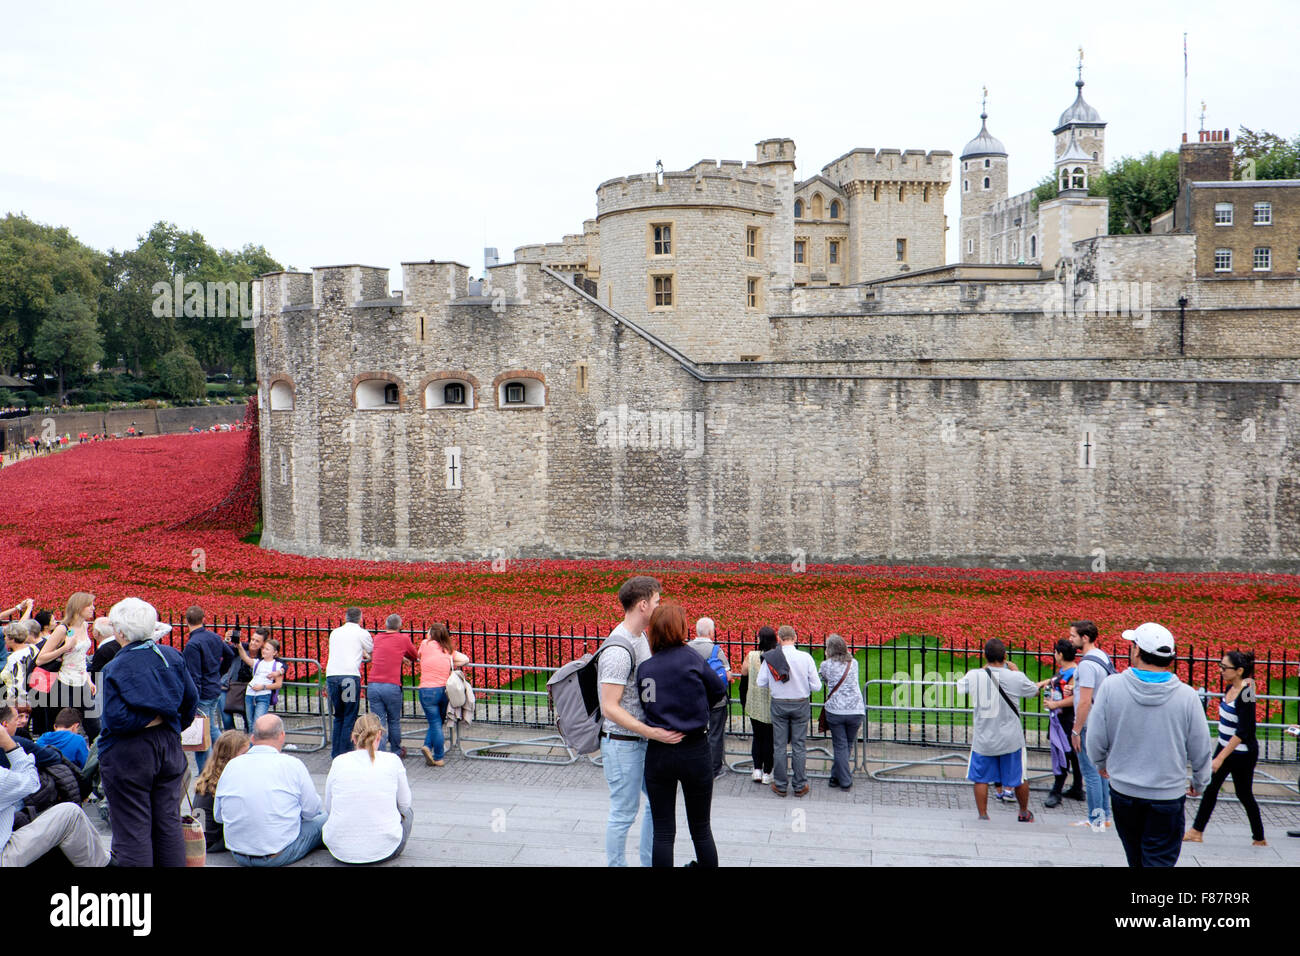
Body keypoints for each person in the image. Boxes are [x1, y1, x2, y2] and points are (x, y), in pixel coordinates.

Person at [1086, 622, 1213, 868]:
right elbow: (1200, 748)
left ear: (1136, 651)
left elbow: (1095, 737)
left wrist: (1101, 763)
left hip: (1124, 791)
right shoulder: (1187, 696)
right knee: (1159, 860)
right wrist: (1200, 782)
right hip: (1167, 795)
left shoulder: (1112, 687)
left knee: (1135, 857)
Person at [97, 597, 198, 867]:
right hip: (168, 745)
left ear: (119, 631)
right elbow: (190, 702)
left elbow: (116, 719)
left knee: (133, 828)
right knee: (168, 823)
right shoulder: (172, 656)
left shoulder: (115, 667)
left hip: (128, 753)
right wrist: (165, 720)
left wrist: (150, 719)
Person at [599, 576, 683, 867]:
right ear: (644, 605)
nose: (660, 607)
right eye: (658, 602)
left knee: (656, 806)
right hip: (622, 745)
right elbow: (609, 707)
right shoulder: (618, 650)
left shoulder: (641, 638)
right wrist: (652, 732)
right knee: (623, 813)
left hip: (642, 741)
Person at [637, 601, 726, 867]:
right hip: (694, 748)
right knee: (701, 828)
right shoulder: (692, 659)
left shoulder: (647, 668)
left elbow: (646, 704)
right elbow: (718, 690)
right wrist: (698, 709)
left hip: (660, 750)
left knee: (663, 831)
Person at [215, 714, 328, 867]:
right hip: (278, 853)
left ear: (253, 738)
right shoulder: (292, 764)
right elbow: (311, 811)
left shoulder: (231, 765)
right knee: (324, 818)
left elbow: (219, 816)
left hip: (239, 852)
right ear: (282, 736)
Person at [0, 717, 109, 867]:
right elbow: (32, 781)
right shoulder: (76, 740)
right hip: (4, 855)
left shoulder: (43, 738)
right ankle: (104, 864)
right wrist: (9, 744)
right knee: (70, 813)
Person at [1184, 649, 1266, 846]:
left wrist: (1220, 758)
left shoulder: (1247, 691)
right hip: (1225, 747)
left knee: (1243, 793)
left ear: (1238, 670)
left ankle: (1259, 837)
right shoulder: (1231, 687)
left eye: (1224, 667)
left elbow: (1244, 731)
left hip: (1241, 754)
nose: (1220, 670)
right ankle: (1196, 831)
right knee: (1211, 789)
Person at [955, 638, 1041, 822]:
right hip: (1011, 738)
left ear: (985, 656)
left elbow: (960, 688)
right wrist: (1017, 671)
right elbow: (1034, 691)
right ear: (1005, 656)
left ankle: (983, 815)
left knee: (981, 778)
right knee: (1019, 777)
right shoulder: (1015, 677)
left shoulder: (974, 675)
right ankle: (1023, 812)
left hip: (984, 738)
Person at [323, 713, 414, 864]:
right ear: (379, 736)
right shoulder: (392, 760)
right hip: (385, 849)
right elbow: (405, 804)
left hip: (339, 851)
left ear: (353, 737)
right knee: (408, 813)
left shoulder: (339, 761)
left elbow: (329, 807)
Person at [757, 625, 821, 797]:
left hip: (779, 702)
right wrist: (801, 682)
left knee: (779, 746)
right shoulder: (805, 657)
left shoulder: (772, 657)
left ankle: (780, 784)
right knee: (799, 745)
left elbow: (761, 682)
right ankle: (799, 785)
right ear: (795, 638)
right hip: (800, 702)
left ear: (779, 638)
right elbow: (817, 686)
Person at [1068, 619, 1115, 829]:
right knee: (1102, 771)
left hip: (1088, 725)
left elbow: (1085, 701)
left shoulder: (1086, 664)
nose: (1070, 639)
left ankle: (1095, 818)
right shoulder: (1103, 656)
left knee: (1091, 772)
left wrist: (1076, 730)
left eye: (1073, 636)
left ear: (1084, 638)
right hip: (1103, 722)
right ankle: (1104, 816)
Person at [181, 605, 235, 774]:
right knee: (210, 728)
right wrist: (219, 672)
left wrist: (192, 698)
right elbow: (230, 655)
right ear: (203, 619)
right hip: (214, 687)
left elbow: (194, 675)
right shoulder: (213, 637)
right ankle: (227, 758)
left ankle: (208, 769)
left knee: (203, 732)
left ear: (185, 621)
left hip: (203, 692)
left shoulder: (193, 644)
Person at [686, 616, 734, 779]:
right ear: (711, 633)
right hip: (715, 700)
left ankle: (692, 764)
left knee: (692, 733)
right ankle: (713, 769)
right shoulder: (716, 650)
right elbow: (727, 674)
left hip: (693, 700)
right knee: (715, 734)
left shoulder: (687, 649)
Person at [1039, 639, 1084, 808]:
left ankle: (1056, 792)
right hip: (1060, 719)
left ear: (1061, 654)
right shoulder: (1065, 670)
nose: (1054, 655)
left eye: (1056, 652)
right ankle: (1077, 788)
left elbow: (1075, 697)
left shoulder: (1074, 673)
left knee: (1062, 754)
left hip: (1066, 719)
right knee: (1072, 754)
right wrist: (1041, 684)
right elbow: (1054, 681)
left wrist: (1055, 704)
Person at [417, 623, 469, 766]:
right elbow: (465, 659)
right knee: (437, 723)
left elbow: (418, 656)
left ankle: (437, 756)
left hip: (427, 690)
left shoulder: (425, 644)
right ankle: (429, 748)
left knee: (434, 722)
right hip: (443, 691)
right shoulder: (448, 649)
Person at [368, 614, 418, 758]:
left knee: (379, 721)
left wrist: (399, 656)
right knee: (394, 720)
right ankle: (396, 751)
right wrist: (403, 657)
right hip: (391, 685)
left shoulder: (377, 637)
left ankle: (380, 753)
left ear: (386, 625)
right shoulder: (403, 638)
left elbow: (381, 651)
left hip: (373, 684)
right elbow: (414, 655)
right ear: (400, 626)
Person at [818, 634, 864, 790]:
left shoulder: (826, 665)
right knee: (846, 745)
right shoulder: (854, 663)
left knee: (840, 745)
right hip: (855, 710)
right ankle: (835, 777)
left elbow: (824, 680)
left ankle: (844, 780)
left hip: (836, 711)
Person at [192, 729, 250, 853]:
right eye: (244, 754)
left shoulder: (210, 775)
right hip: (212, 841)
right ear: (231, 756)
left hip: (199, 838)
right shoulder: (227, 779)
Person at [326, 608, 373, 758]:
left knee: (338, 715)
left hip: (332, 675)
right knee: (349, 716)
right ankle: (345, 753)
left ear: (345, 617)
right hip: (349, 677)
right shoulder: (362, 633)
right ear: (360, 618)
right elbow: (371, 649)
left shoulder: (335, 632)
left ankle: (336, 753)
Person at [740, 626, 777, 784]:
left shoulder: (751, 655)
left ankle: (757, 769)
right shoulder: (776, 657)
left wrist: (744, 700)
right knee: (769, 739)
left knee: (757, 737)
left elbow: (743, 678)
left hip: (754, 702)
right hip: (771, 703)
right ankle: (768, 772)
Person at [242, 638, 285, 728]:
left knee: (258, 722)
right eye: (263, 648)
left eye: (267, 649)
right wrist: (239, 646)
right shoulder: (258, 662)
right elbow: (245, 658)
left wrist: (263, 687)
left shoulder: (277, 665)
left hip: (263, 695)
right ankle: (251, 742)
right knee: (250, 723)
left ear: (274, 653)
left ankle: (256, 742)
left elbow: (278, 684)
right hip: (250, 694)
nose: (264, 651)